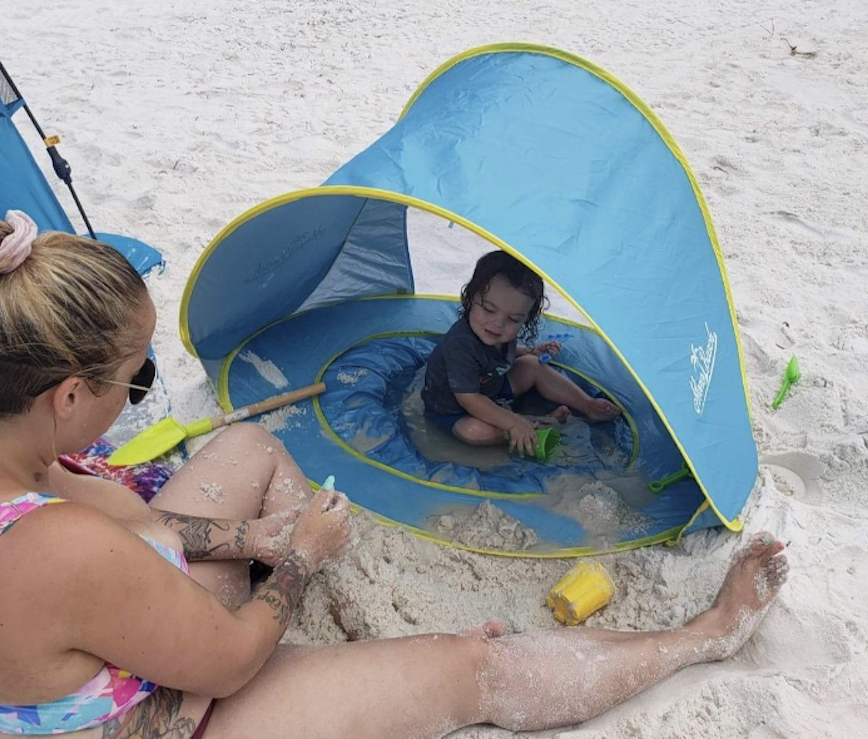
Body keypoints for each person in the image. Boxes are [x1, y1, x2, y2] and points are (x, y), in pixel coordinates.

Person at [0, 211, 790, 739]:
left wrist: (251, 536)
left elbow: (141, 530)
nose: (143, 396)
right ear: (68, 394)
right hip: (166, 714)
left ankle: (340, 627)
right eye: (135, 382)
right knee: (478, 667)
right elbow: (231, 657)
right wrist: (301, 553)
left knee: (245, 447)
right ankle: (704, 635)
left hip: (116, 621)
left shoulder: (29, 469)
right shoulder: (59, 546)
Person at [422, 250, 622, 457]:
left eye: (514, 319)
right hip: (455, 410)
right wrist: (514, 423)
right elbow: (469, 399)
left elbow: (500, 353)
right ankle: (536, 425)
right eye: (489, 310)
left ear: (525, 319)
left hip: (493, 387)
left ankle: (587, 405)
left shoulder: (497, 332)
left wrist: (531, 351)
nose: (498, 323)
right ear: (471, 298)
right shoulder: (460, 345)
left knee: (533, 365)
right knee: (475, 432)